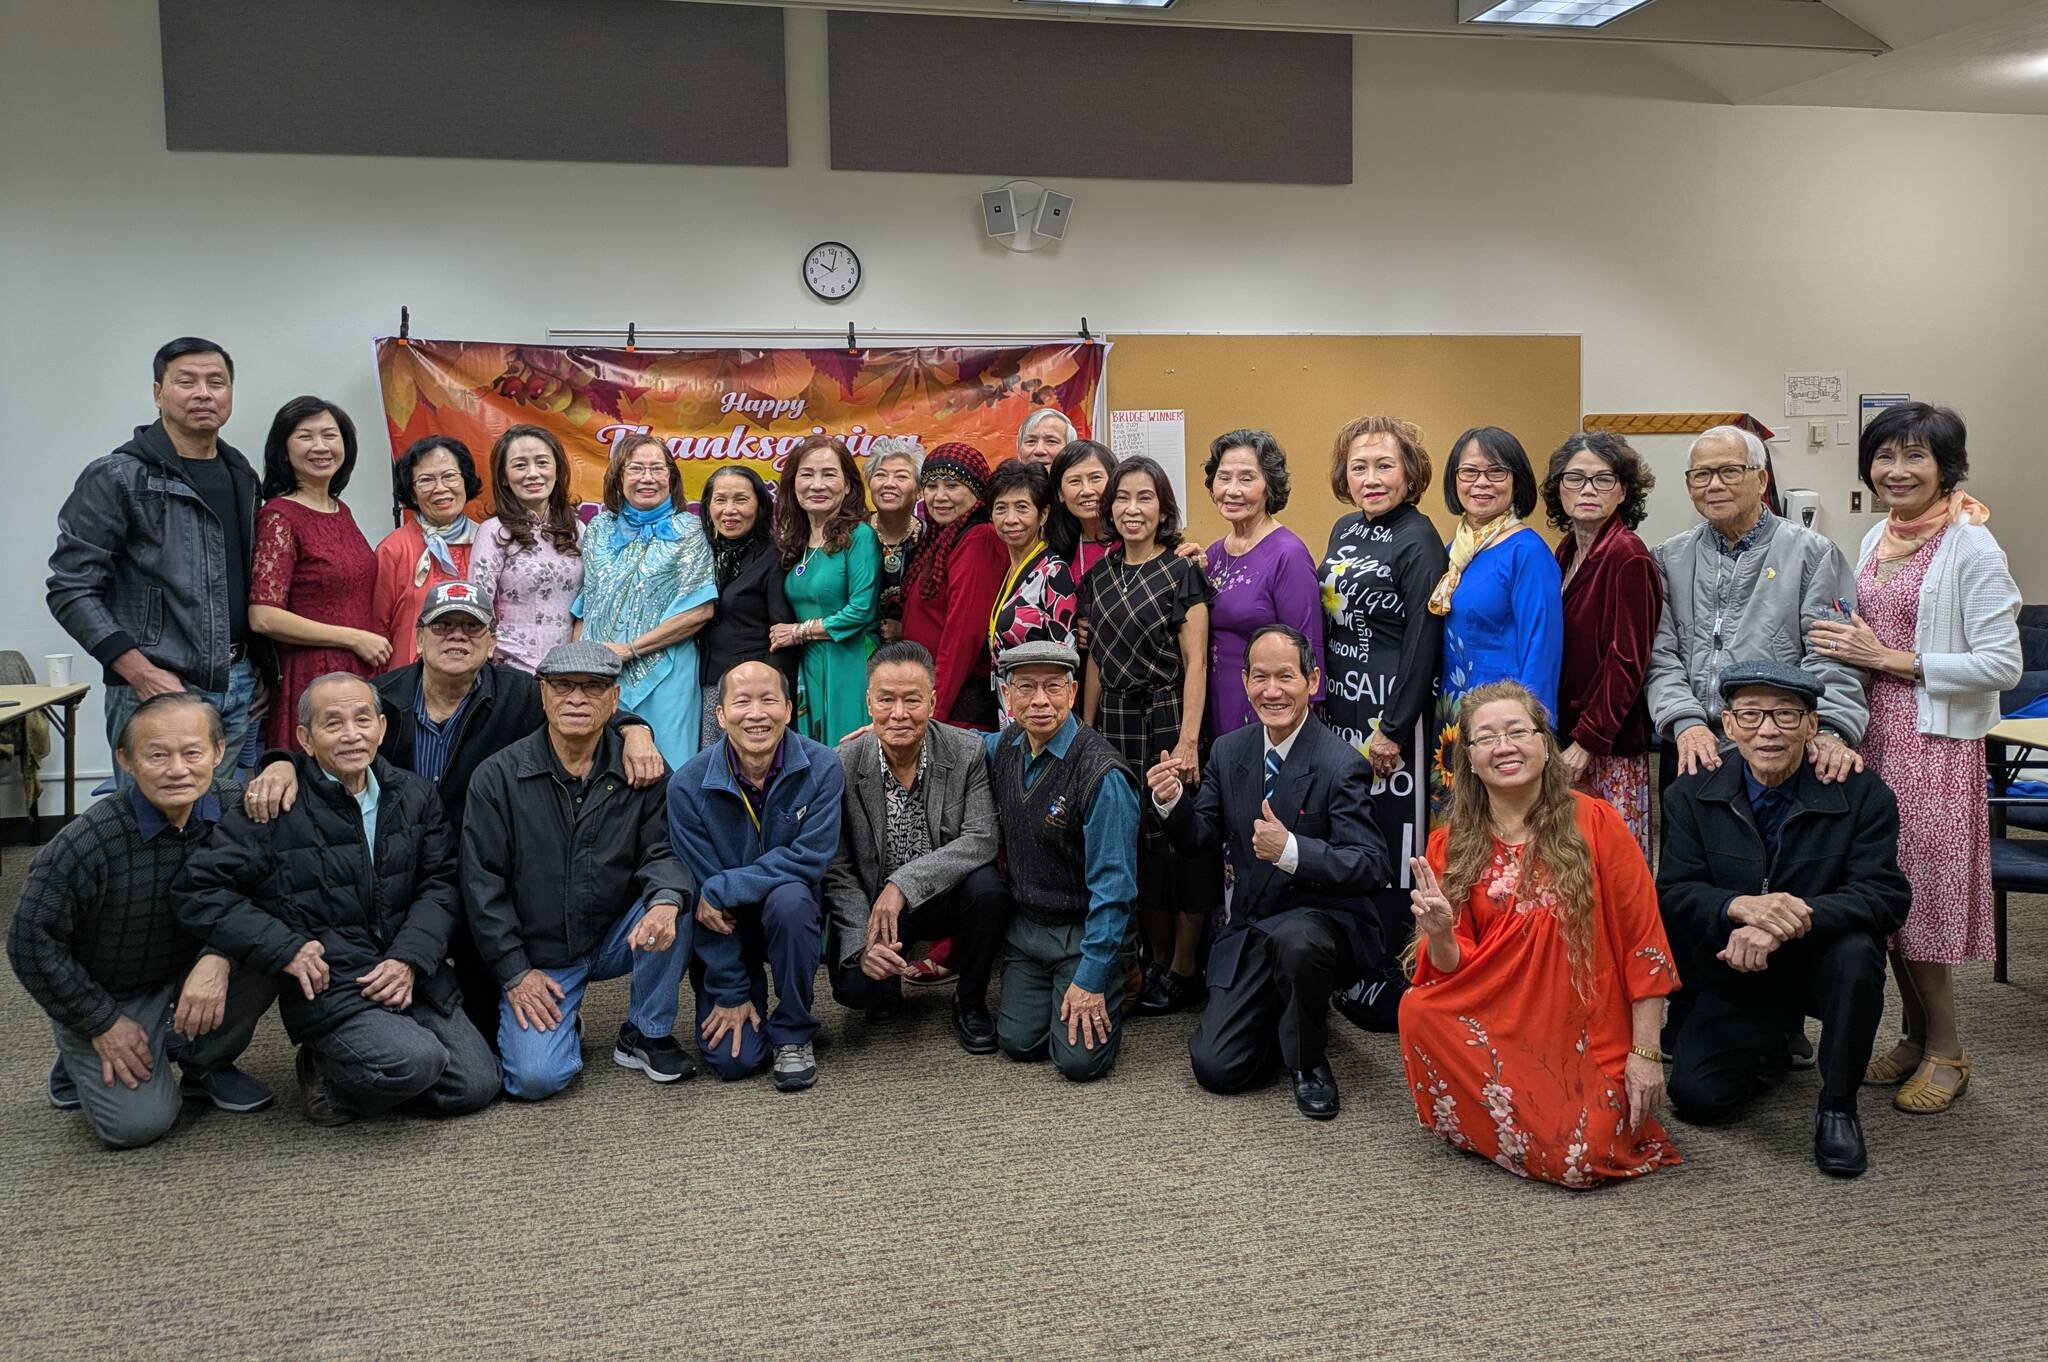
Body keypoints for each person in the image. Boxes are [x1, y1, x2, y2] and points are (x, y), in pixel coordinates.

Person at [240, 582, 663, 1044]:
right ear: (419, 638)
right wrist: (280, 762)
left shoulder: (522, 695)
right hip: (402, 874)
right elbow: (328, 735)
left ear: (492, 640)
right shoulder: (382, 698)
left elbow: (581, 707)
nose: (457, 637)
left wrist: (635, 729)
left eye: (471, 627)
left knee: (489, 1043)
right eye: (443, 626)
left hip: (484, 876)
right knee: (384, 985)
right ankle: (337, 1049)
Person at [1811, 404, 2021, 1115]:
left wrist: (1887, 658)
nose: (1896, 471)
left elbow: (2003, 663)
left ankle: (1947, 1050)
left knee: (1923, 905)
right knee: (1884, 898)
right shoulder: (1879, 534)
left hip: (1932, 748)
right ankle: (1911, 1036)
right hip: (1873, 739)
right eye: (1884, 458)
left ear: (1946, 468)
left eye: (1914, 458)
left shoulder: (1971, 547)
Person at [176, 673, 499, 1126]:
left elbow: (441, 885)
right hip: (332, 982)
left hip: (410, 974)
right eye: (333, 724)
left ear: (382, 729)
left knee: (478, 1085)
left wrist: (409, 959)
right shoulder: (276, 802)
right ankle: (325, 1072)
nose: (351, 735)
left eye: (363, 719)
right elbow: (199, 889)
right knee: (417, 1061)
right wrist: (283, 946)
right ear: (306, 739)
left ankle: (367, 1062)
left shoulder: (414, 795)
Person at [1399, 680, 1682, 1186]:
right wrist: (1438, 932)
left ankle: (1513, 1119)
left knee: (1580, 1162)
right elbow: (1450, 969)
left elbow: (1646, 944)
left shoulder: (1597, 823)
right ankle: (1506, 1116)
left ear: (1545, 746)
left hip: (1584, 1027)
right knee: (1418, 1010)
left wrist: (1645, 1054)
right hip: (1499, 1017)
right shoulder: (1451, 842)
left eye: (1517, 732)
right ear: (1468, 757)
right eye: (1485, 738)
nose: (1503, 747)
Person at [1658, 662, 1911, 1176]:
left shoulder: (1862, 793)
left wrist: (1790, 916)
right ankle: (1769, 1041)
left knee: (1859, 952)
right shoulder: (1689, 792)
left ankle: (1838, 1105)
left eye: (1786, 715)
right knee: (1697, 1100)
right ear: (1727, 726)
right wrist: (1740, 907)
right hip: (1731, 966)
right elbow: (1674, 893)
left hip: (1817, 963)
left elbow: (1885, 895)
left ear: (1813, 725)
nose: (1767, 730)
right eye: (1750, 715)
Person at [8, 694, 277, 1148]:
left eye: (192, 753)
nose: (177, 770)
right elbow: (29, 943)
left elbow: (270, 889)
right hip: (113, 992)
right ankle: (79, 1051)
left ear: (217, 751)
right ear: (126, 761)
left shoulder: (238, 808)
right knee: (138, 1127)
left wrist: (220, 955)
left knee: (278, 951)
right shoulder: (85, 842)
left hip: (192, 971)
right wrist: (100, 1022)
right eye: (157, 755)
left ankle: (204, 1064)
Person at [1148, 626, 1386, 1118]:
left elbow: (1370, 864)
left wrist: (1292, 850)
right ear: (1244, 680)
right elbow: (1199, 836)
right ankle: (1286, 1015)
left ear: (1312, 680)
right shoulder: (1230, 751)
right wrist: (1171, 803)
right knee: (1215, 1068)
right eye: (1260, 677)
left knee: (1298, 942)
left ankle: (1308, 1059)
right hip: (1255, 926)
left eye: (1286, 677)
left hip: (1322, 923)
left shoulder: (1341, 763)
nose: (1272, 690)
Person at [462, 641, 693, 1099]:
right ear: (542, 693)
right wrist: (514, 972)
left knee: (679, 899)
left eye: (592, 688)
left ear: (614, 698)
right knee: (535, 1080)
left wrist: (665, 904)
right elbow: (481, 886)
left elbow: (662, 853)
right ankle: (565, 1019)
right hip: (541, 956)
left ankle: (644, 1032)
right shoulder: (498, 778)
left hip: (615, 934)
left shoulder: (643, 768)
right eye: (563, 686)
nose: (576, 698)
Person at [48, 337, 265, 788]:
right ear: (158, 393)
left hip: (237, 683)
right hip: (156, 686)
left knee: (215, 830)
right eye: (186, 381)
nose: (204, 393)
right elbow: (70, 587)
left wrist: (257, 669)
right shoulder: (117, 476)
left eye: (217, 382)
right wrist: (140, 672)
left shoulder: (241, 475)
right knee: (151, 837)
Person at [1646, 424, 1867, 790]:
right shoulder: (1669, 558)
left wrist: (1830, 728)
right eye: (1701, 475)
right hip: (1692, 743)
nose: (1714, 485)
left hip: (1778, 743)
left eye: (1730, 471)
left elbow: (1833, 655)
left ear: (1761, 479)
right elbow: (1660, 655)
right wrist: (1685, 721)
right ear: (1689, 486)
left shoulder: (1812, 553)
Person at [1317, 416, 1447, 1029]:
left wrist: (1394, 728)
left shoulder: (1419, 538)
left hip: (1393, 723)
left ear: (1409, 472)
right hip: (1343, 708)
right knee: (1353, 837)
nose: (1370, 478)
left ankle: (1396, 973)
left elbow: (1426, 639)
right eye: (1359, 467)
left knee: (1398, 849)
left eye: (1384, 465)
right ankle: (1360, 960)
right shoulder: (1344, 529)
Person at [668, 660, 845, 1091]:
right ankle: (743, 995)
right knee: (735, 1061)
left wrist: (725, 886)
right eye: (742, 702)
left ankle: (793, 1032)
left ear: (788, 708)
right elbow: (705, 905)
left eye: (768, 700)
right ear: (721, 714)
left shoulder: (821, 767)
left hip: (788, 918)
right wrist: (730, 992)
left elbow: (810, 859)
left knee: (792, 898)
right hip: (724, 930)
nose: (756, 713)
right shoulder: (688, 786)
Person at [1080, 455, 1215, 1015]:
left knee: (1174, 848)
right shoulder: (1098, 576)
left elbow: (1198, 662)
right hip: (1111, 721)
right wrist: (1084, 733)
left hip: (1164, 717)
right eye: (1123, 498)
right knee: (1130, 842)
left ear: (1163, 509)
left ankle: (1183, 968)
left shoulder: (1183, 573)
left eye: (1146, 498)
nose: (1133, 509)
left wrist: (1187, 742)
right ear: (1109, 508)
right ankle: (1153, 961)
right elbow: (1091, 662)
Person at [823, 642, 1005, 1049]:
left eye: (912, 699)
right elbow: (838, 868)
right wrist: (859, 943)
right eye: (886, 700)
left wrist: (902, 885)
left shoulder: (965, 750)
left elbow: (980, 838)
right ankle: (885, 986)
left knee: (988, 891)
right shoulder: (842, 763)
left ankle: (970, 1001)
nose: (899, 714)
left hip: (945, 895)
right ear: (868, 702)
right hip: (877, 908)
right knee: (857, 989)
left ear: (933, 701)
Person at [986, 641, 1140, 1082]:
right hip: (1029, 931)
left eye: (1053, 687)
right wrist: (907, 730)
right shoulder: (1009, 743)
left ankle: (1119, 972)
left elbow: (1115, 891)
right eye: (1026, 688)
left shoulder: (1101, 775)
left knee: (1077, 1062)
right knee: (1017, 1043)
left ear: (1073, 694)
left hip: (1086, 932)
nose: (1040, 701)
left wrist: (1091, 978)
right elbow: (964, 743)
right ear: (1007, 696)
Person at [1428, 426, 1563, 816]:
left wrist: (1529, 735)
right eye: (1469, 472)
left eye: (1496, 472)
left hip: (1503, 731)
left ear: (1516, 480)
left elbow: (1543, 651)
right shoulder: (1456, 550)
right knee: (1457, 840)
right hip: (1454, 725)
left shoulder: (1528, 551)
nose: (1481, 483)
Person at [1544, 432, 1662, 853]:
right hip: (1566, 738)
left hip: (1604, 748)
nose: (1588, 490)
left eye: (1603, 479)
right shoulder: (1565, 551)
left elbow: (1627, 661)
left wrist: (1587, 742)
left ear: (1624, 490)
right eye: (1575, 478)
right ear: (1558, 488)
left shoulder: (1627, 555)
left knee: (1608, 867)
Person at [247, 396, 386, 752]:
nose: (320, 446)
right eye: (305, 436)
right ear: (284, 449)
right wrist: (353, 638)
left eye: (330, 435)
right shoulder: (279, 516)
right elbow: (263, 616)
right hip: (313, 673)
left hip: (358, 668)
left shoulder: (341, 509)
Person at [575, 433, 717, 765]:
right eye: (636, 468)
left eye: (657, 468)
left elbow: (700, 610)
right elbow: (587, 602)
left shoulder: (691, 530)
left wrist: (630, 650)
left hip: (666, 673)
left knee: (666, 766)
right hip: (600, 673)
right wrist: (580, 658)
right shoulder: (598, 528)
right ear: (618, 477)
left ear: (671, 477)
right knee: (598, 767)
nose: (648, 478)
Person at [1203, 429, 1325, 737]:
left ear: (1269, 486)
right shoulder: (1213, 554)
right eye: (1224, 477)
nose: (1232, 490)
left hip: (1267, 707)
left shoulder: (1289, 555)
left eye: (1246, 478)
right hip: (1217, 701)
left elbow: (1307, 646)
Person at [771, 435, 880, 747]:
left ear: (847, 486)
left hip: (849, 662)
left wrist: (799, 632)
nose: (817, 484)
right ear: (793, 484)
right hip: (809, 664)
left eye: (829, 474)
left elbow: (862, 611)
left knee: (847, 753)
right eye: (807, 474)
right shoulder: (796, 541)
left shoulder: (859, 536)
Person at [899, 443, 1008, 729]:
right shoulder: (943, 538)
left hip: (956, 708)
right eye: (932, 486)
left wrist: (935, 712)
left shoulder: (979, 538)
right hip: (930, 693)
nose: (940, 496)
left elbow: (964, 634)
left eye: (952, 486)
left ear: (977, 492)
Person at [469, 424, 585, 672]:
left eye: (542, 463)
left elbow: (590, 601)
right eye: (520, 465)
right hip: (509, 667)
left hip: (568, 671)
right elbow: (479, 605)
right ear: (504, 477)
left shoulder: (578, 530)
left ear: (557, 470)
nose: (533, 473)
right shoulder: (493, 531)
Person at [698, 465, 797, 747]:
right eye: (720, 500)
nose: (729, 510)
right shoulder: (705, 554)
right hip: (707, 689)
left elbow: (782, 638)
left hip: (751, 695)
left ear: (760, 505)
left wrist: (774, 700)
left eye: (741, 500)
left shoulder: (775, 557)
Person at [372, 435, 481, 669]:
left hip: (478, 680)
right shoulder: (393, 549)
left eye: (449, 476)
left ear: (465, 481)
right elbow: (377, 629)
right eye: (426, 480)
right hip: (410, 682)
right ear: (412, 493)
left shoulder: (488, 541)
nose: (440, 488)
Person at [986, 459, 1081, 696]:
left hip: (1040, 707)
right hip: (1009, 703)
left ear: (1043, 514)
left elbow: (1065, 655)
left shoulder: (1053, 571)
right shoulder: (1009, 570)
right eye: (1001, 508)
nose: (1010, 519)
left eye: (1022, 507)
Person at [865, 437, 924, 643]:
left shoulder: (931, 539)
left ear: (919, 490)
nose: (889, 484)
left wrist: (909, 630)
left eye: (901, 476)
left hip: (915, 652)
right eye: (880, 475)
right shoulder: (852, 534)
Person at [1047, 439, 1118, 581]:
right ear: (1060, 493)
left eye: (1095, 478)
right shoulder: (1055, 550)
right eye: (1074, 481)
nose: (1086, 490)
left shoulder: (1134, 541)